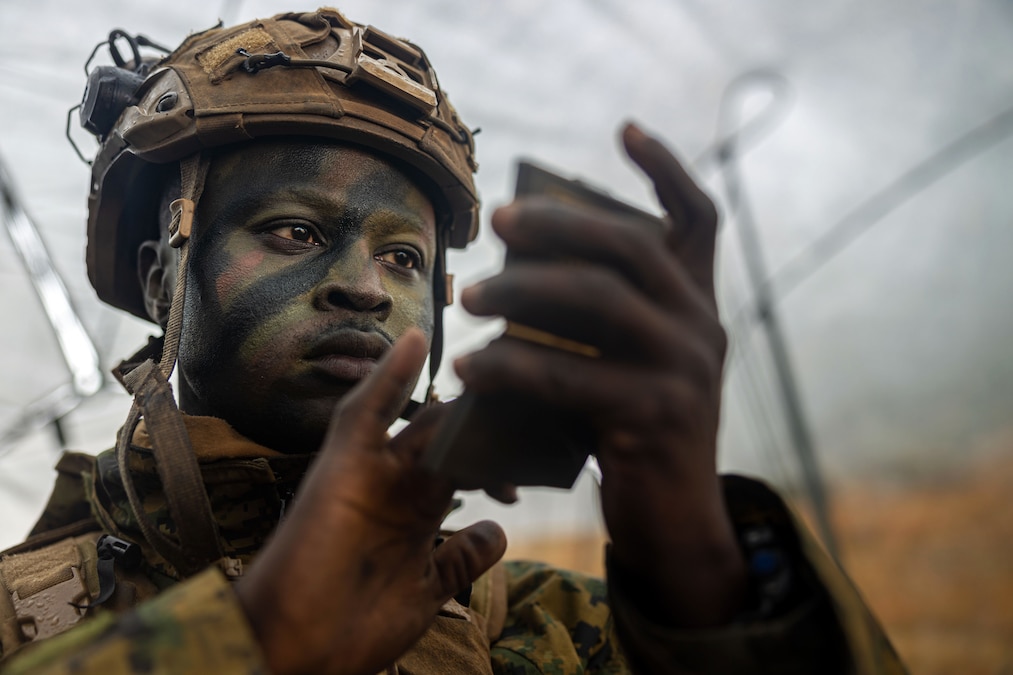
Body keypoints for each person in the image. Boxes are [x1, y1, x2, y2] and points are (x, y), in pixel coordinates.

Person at [0, 8, 904, 674]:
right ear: (164, 278)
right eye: (294, 231)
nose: (363, 284)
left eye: (402, 255)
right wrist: (257, 643)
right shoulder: (22, 622)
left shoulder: (552, 629)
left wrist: (701, 582)